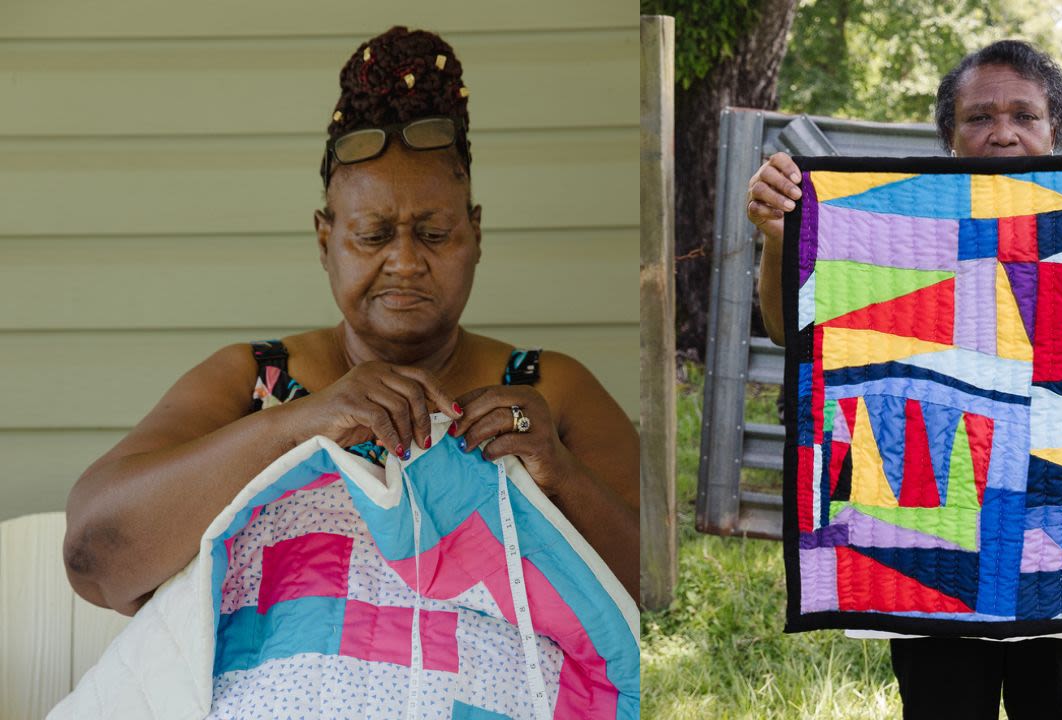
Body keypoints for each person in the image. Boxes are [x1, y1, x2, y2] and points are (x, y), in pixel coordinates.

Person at [745, 39, 1062, 719]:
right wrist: (781, 237)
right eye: (980, 117)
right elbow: (793, 333)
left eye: (1025, 115)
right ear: (950, 134)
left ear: (1055, 130)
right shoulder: (890, 217)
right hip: (927, 535)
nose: (1003, 132)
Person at [62, 25, 640, 627]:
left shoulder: (548, 389)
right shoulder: (252, 381)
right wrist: (299, 424)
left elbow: (655, 593)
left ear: (475, 235)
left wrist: (560, 474)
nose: (406, 261)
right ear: (325, 239)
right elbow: (92, 559)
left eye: (435, 234)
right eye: (373, 235)